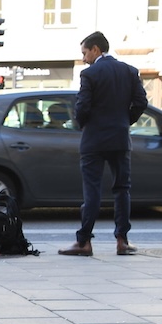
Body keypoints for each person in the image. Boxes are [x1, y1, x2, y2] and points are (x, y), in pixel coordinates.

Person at [59, 31, 148, 257]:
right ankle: (122, 241)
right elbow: (141, 102)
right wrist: (124, 121)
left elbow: (82, 107)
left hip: (94, 140)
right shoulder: (129, 71)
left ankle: (84, 242)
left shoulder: (90, 74)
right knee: (122, 189)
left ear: (96, 49)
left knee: (92, 190)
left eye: (85, 52)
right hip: (119, 138)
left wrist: (84, 124)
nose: (84, 58)